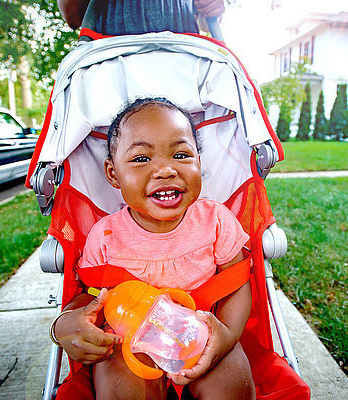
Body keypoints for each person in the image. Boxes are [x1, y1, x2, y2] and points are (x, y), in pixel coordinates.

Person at [53, 97, 256, 399]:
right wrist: (64, 324)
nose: (165, 170)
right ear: (113, 174)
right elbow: (90, 294)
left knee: (232, 390)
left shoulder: (215, 221)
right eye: (141, 159)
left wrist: (225, 336)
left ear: (200, 162)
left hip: (200, 334)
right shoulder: (106, 234)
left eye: (181, 154)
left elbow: (236, 283)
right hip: (129, 341)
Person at [57, 0, 225, 35]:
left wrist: (214, 9)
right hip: (110, 62)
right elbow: (72, 18)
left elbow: (205, 23)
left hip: (184, 60)